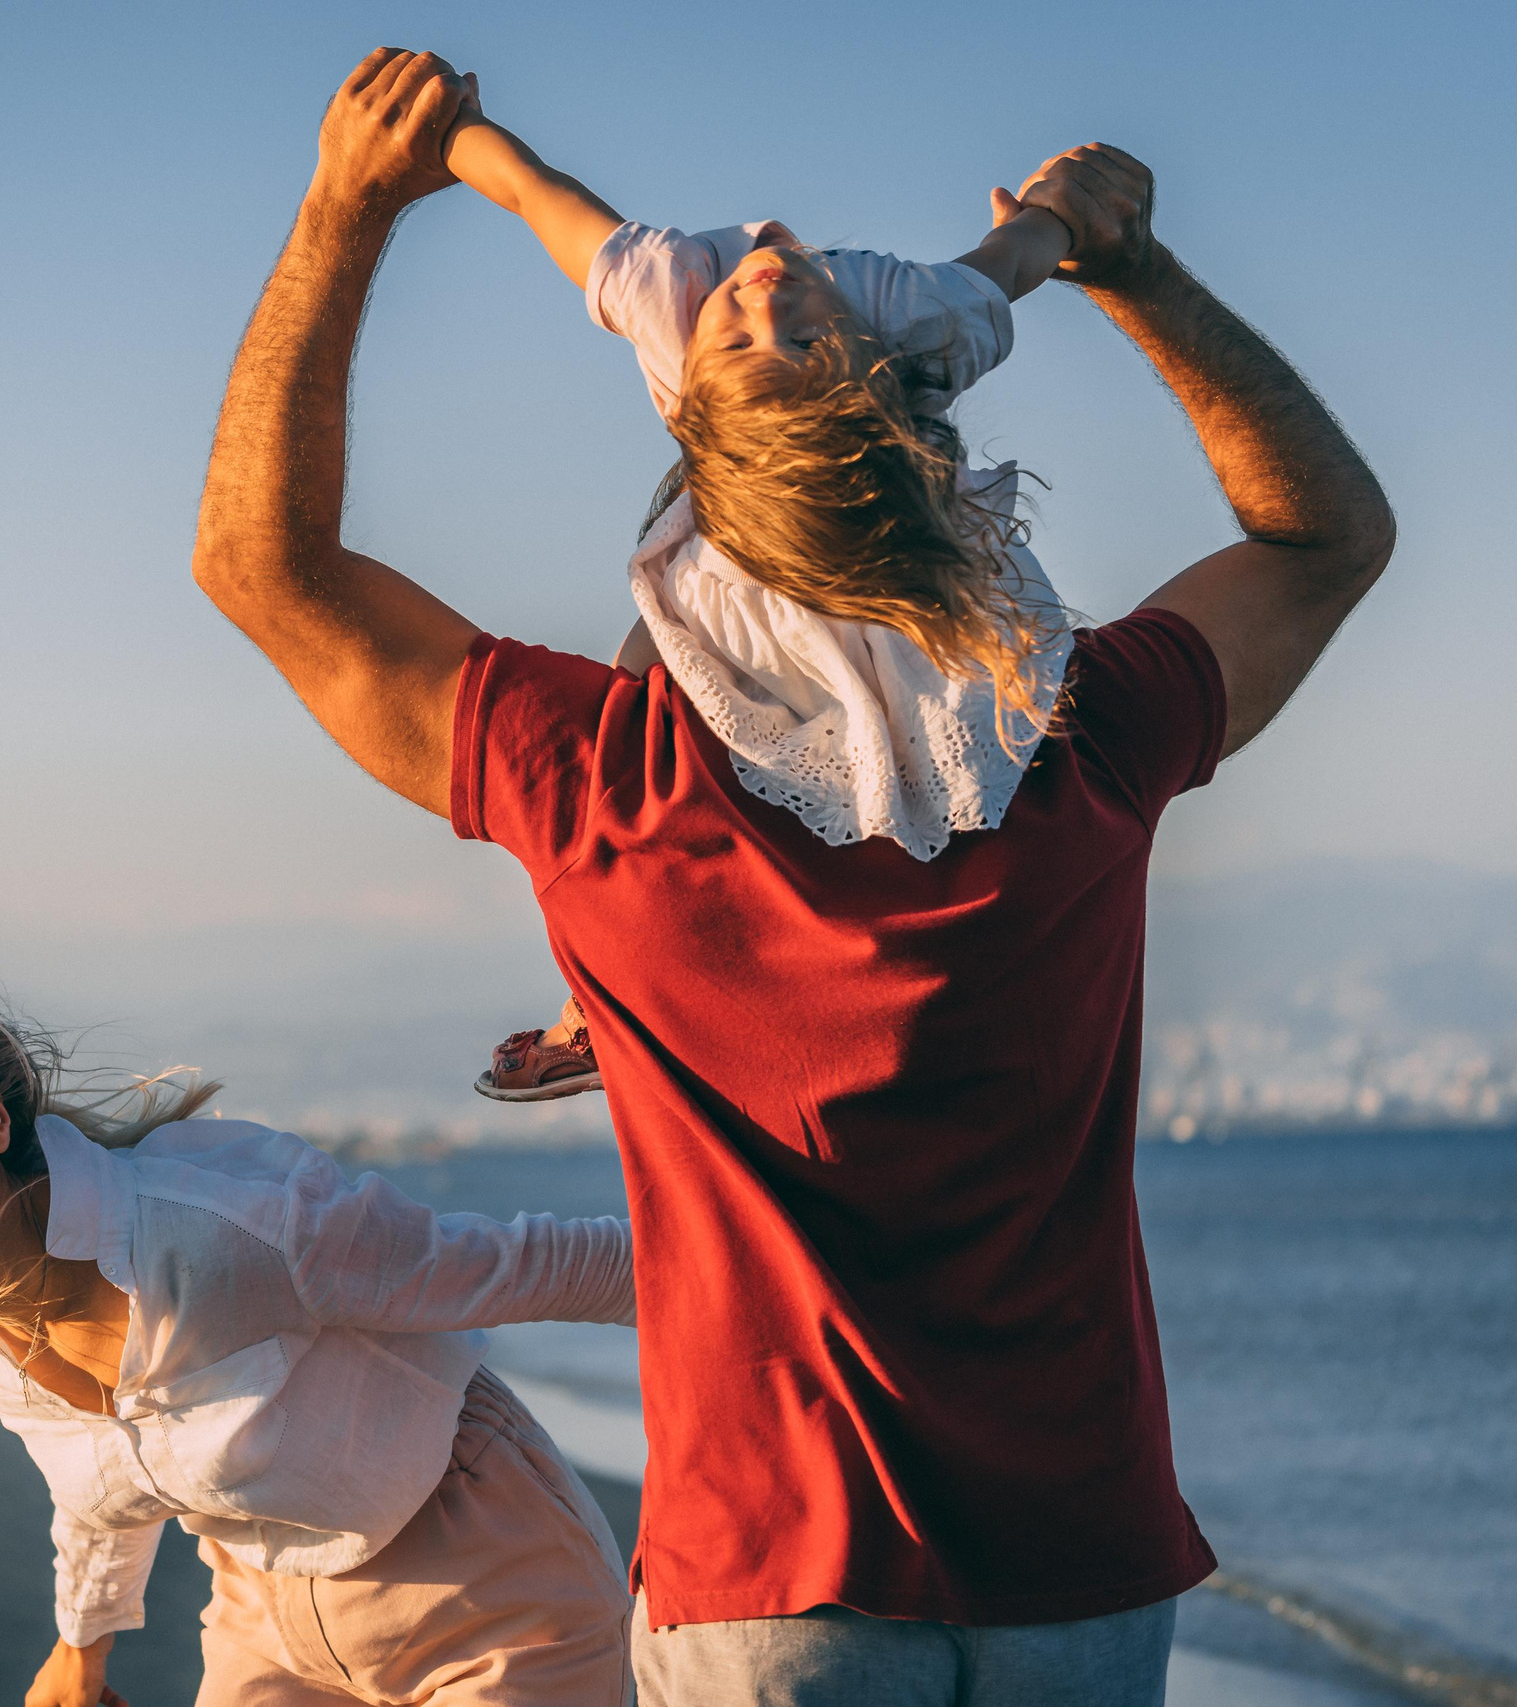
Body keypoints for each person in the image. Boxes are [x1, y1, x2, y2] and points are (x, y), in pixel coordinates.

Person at [193, 48, 1394, 1707]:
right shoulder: (1086, 744)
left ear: (698, 534)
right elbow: (1323, 538)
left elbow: (266, 571)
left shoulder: (610, 783)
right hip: (1084, 1563)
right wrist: (1141, 273)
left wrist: (344, 211)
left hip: (770, 1580)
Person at [0, 961, 636, 1706]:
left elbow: (532, 1264)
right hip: (268, 1619)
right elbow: (96, 1468)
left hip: (492, 1582)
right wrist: (82, 1643)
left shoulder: (220, 1226)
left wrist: (761, 1286)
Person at [441, 88, 1079, 1101]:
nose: (766, 309)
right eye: (752, 341)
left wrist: (1050, 217)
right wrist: (447, 129)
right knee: (631, 730)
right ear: (690, 385)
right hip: (732, 581)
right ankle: (597, 990)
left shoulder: (713, 299)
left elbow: (1015, 261)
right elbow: (533, 192)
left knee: (931, 782)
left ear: (879, 367)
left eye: (786, 344)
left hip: (887, 564)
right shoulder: (897, 312)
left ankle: (904, 967)